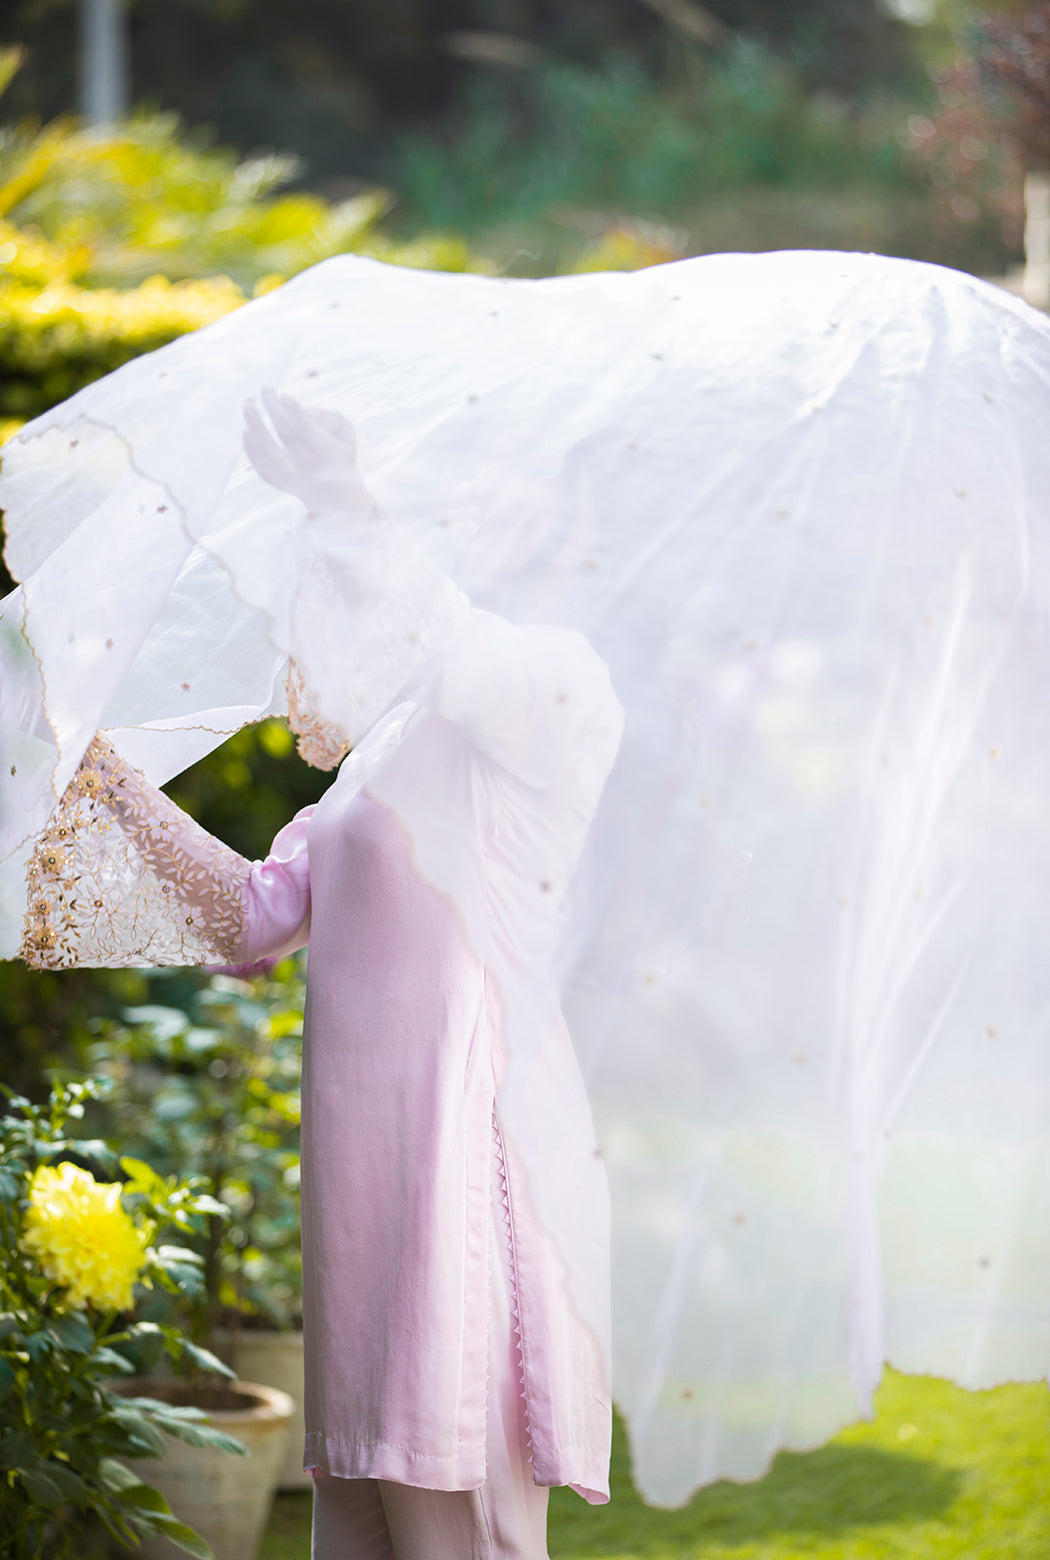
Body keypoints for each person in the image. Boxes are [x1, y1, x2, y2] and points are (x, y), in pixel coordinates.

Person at [19, 393, 624, 1559]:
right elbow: (255, 918)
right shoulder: (390, 742)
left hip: (465, 1158)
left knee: (459, 1527)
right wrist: (95, 767)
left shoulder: (553, 683)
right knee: (358, 1514)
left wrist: (346, 500)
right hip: (366, 1184)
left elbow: (452, 643)